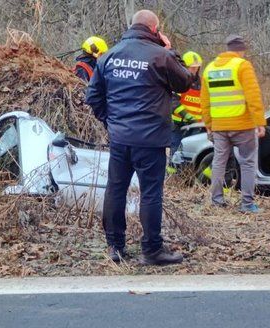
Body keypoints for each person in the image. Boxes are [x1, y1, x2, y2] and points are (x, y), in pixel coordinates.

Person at [86, 9, 193, 265]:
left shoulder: (108, 56)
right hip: (151, 139)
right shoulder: (161, 56)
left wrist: (111, 123)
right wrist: (171, 51)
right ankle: (152, 250)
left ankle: (115, 247)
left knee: (115, 191)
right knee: (150, 194)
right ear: (155, 30)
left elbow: (93, 97)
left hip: (120, 139)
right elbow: (185, 83)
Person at [201, 34, 266, 213]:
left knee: (219, 162)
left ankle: (216, 200)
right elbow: (253, 96)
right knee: (247, 163)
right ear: (241, 50)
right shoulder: (242, 66)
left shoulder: (210, 68)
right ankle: (246, 204)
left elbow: (204, 101)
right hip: (242, 124)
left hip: (219, 126)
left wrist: (208, 123)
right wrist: (260, 122)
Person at [169, 51, 203, 159]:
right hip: (179, 125)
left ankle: (188, 175)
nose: (194, 70)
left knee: (192, 155)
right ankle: (173, 175)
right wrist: (186, 115)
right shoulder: (178, 81)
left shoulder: (203, 83)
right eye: (191, 67)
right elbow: (173, 102)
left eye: (196, 67)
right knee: (176, 152)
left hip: (196, 126)